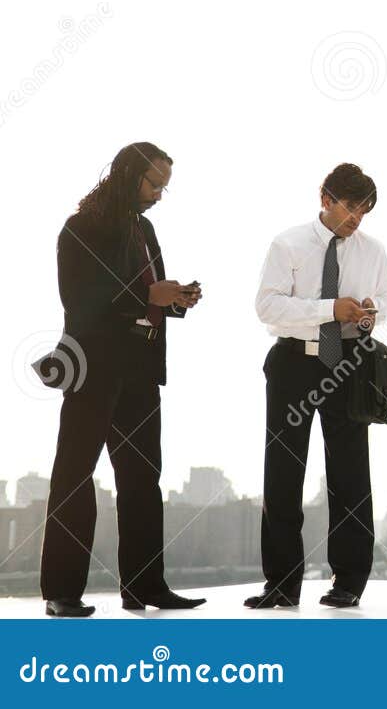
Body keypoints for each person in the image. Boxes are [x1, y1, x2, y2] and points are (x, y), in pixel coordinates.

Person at [40, 143, 205, 617]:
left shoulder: (145, 228)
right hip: (91, 368)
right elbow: (80, 301)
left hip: (140, 369)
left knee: (141, 480)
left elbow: (151, 290)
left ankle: (145, 587)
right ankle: (62, 593)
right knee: (74, 477)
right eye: (154, 184)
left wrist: (175, 300)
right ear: (129, 174)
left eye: (164, 187)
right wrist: (146, 292)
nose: (158, 195)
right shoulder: (80, 228)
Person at [249, 163, 387, 610]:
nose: (356, 219)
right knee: (283, 474)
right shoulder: (288, 243)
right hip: (294, 363)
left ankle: (348, 582)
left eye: (364, 211)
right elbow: (268, 308)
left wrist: (371, 312)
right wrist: (331, 308)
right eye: (351, 207)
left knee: (351, 473)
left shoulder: (373, 250)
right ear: (325, 198)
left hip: (348, 364)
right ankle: (281, 584)